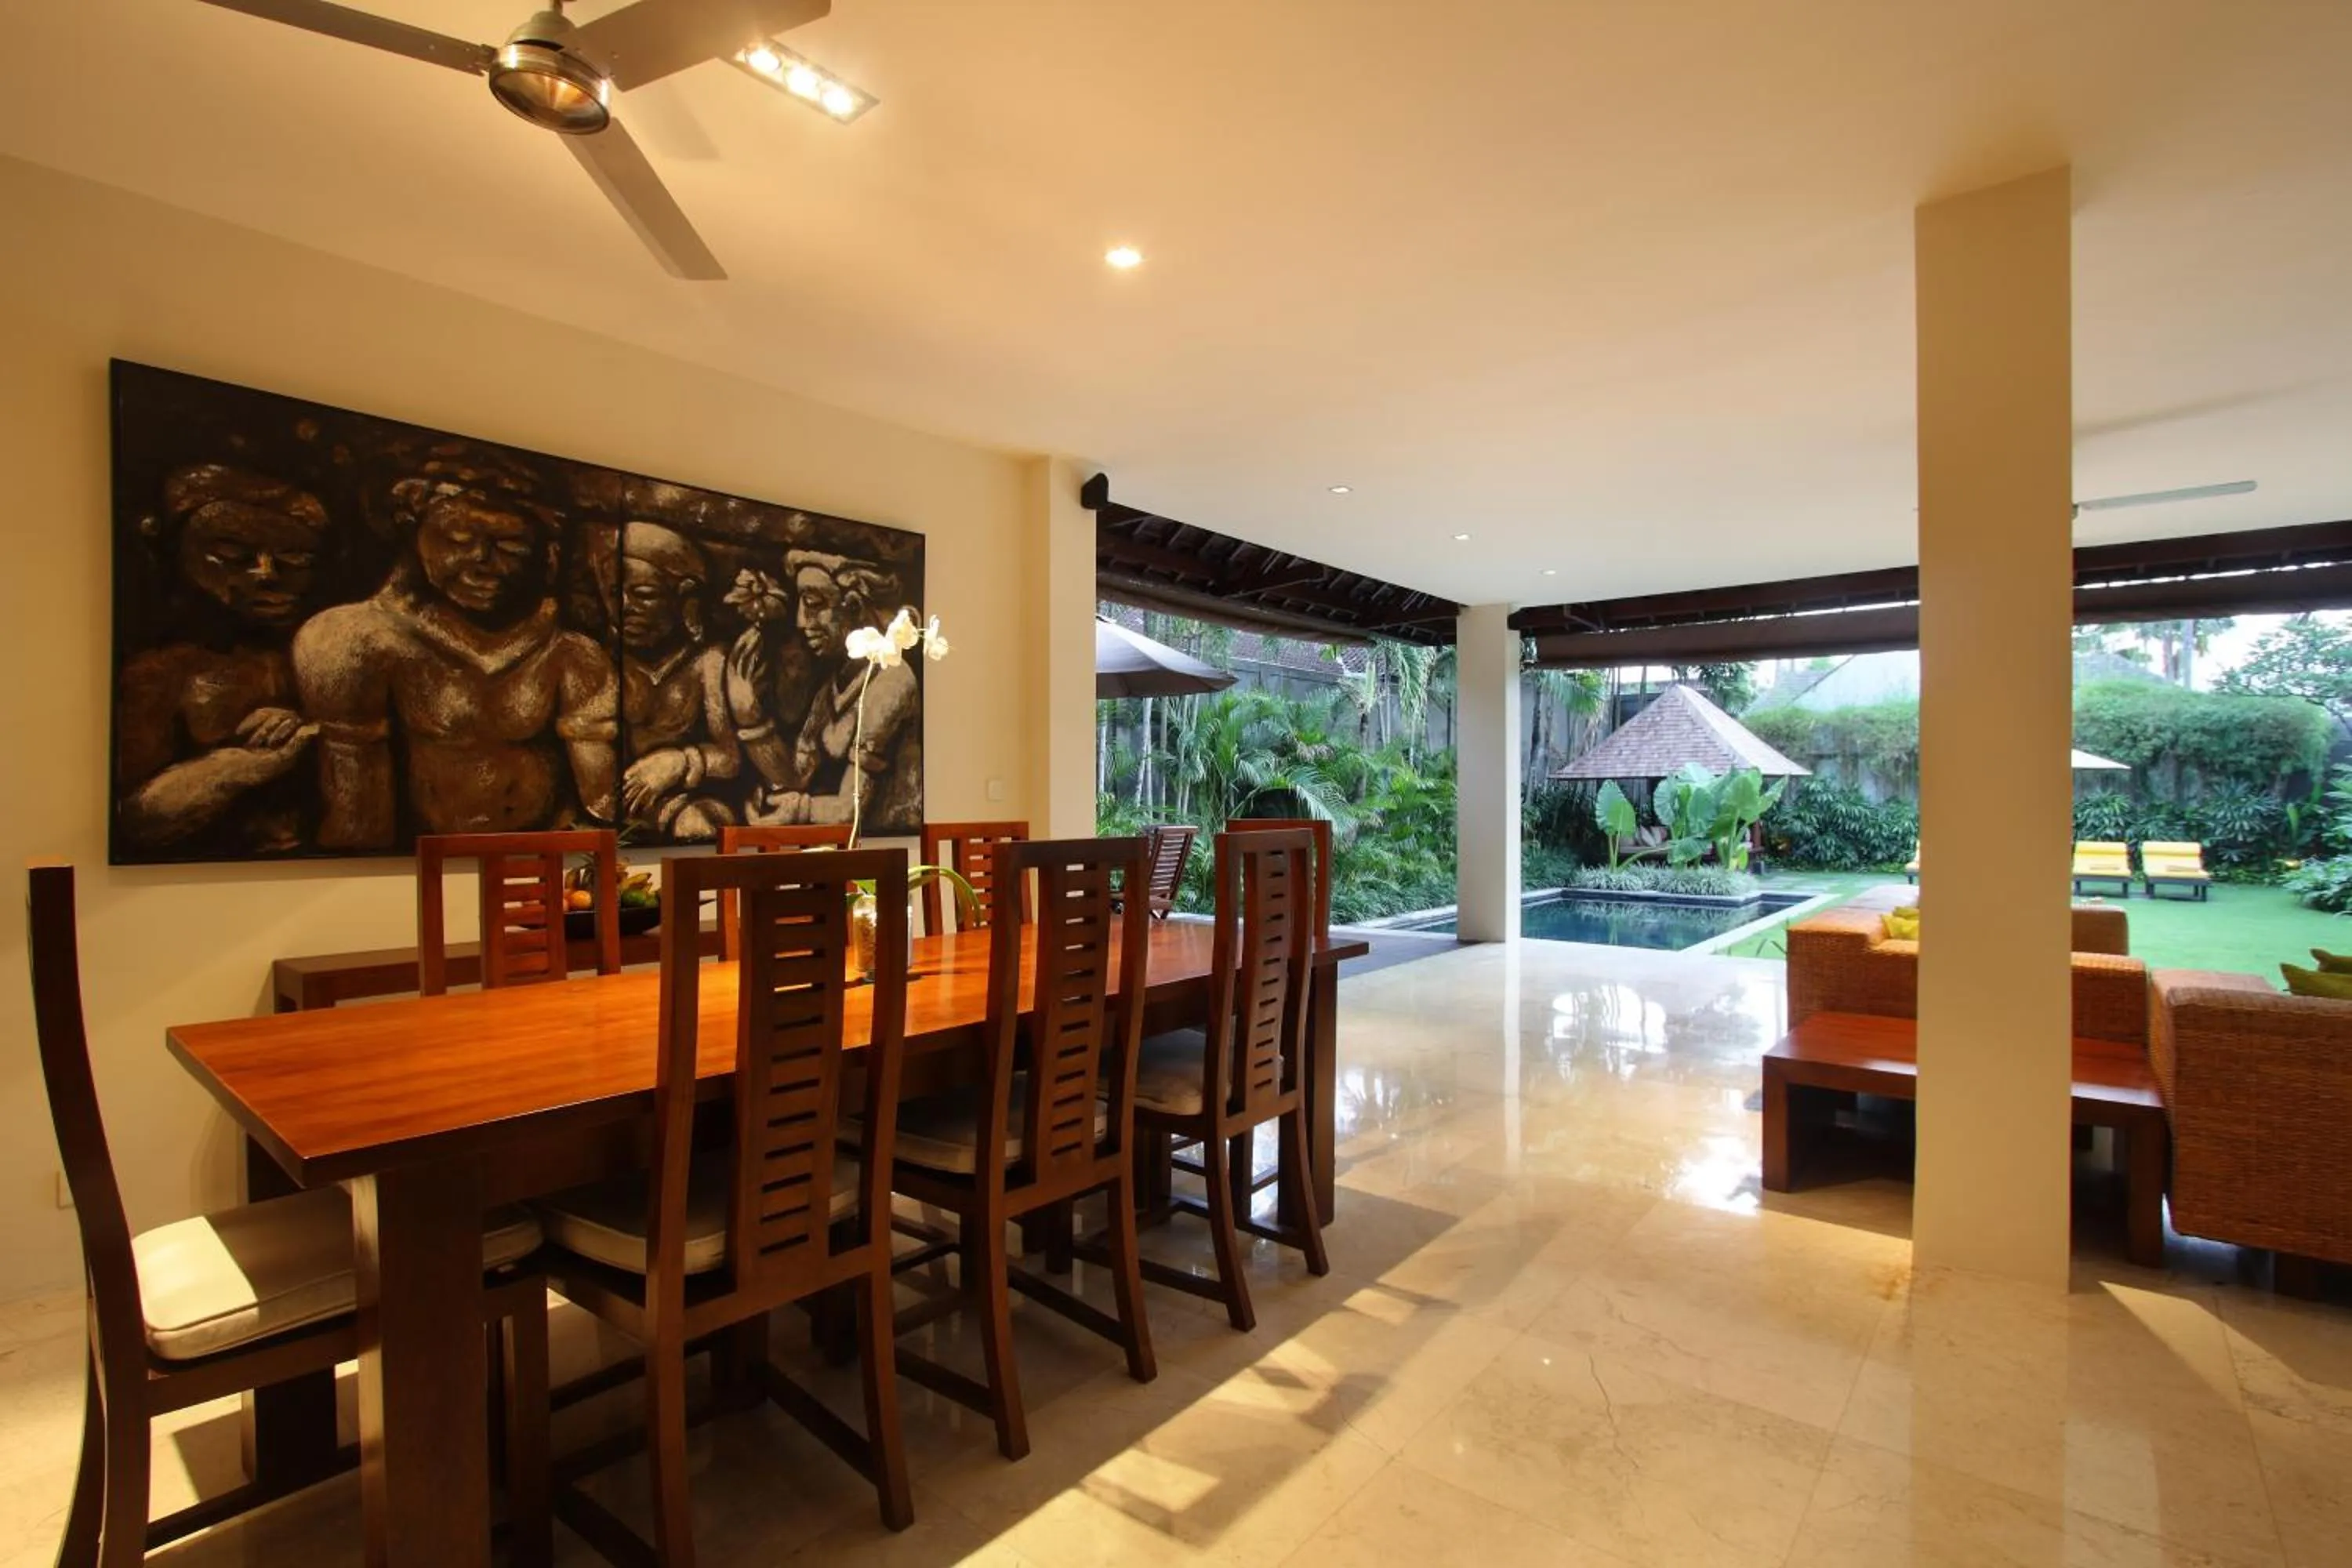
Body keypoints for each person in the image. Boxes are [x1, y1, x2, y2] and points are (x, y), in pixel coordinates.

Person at [292, 445, 616, 848]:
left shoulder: (571, 652)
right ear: (414, 530)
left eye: (510, 546)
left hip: (550, 858)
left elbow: (604, 800)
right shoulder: (351, 640)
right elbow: (358, 821)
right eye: (457, 538)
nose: (482, 560)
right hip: (418, 871)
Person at [115, 464, 331, 854]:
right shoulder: (159, 672)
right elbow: (129, 821)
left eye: (295, 558)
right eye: (232, 553)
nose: (267, 573)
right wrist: (231, 767)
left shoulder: (316, 651)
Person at [741, 550, 921, 832]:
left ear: (854, 607)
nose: (801, 621)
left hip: (889, 855)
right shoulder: (832, 688)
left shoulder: (893, 682)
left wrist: (798, 808)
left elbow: (850, 811)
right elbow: (798, 773)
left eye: (813, 603)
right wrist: (748, 714)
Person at [613, 521, 741, 839]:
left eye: (643, 594)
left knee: (701, 824)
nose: (626, 607)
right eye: (618, 593)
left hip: (683, 802)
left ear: (686, 599)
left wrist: (680, 762)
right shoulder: (606, 659)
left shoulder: (710, 662)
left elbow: (730, 758)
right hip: (618, 805)